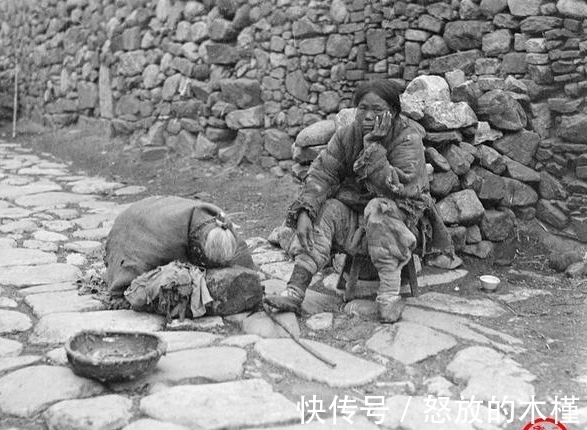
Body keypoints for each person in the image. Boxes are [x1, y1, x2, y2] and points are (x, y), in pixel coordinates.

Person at [264, 79, 453, 323]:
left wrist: (373, 146)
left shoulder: (407, 139)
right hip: (355, 217)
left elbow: (395, 189)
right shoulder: (347, 136)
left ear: (392, 113)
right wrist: (305, 210)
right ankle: (295, 290)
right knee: (327, 208)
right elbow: (323, 172)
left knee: (379, 208)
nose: (367, 116)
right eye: (363, 108)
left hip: (399, 220)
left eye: (377, 110)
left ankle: (389, 297)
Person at [104, 195, 256, 297]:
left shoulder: (222, 226)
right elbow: (137, 273)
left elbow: (242, 258)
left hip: (170, 210)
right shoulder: (166, 244)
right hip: (137, 221)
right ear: (200, 247)